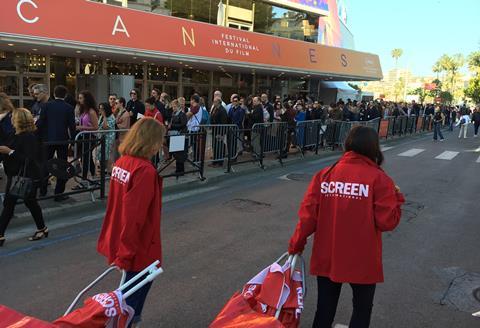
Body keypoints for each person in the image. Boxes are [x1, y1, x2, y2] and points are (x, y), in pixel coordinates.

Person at [288, 126, 404, 328]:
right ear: (374, 148)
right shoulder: (379, 179)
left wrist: (296, 245)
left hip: (328, 253)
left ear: (347, 144)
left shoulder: (325, 175)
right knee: (362, 308)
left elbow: (307, 217)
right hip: (362, 257)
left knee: (324, 308)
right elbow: (388, 222)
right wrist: (398, 197)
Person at [97, 118, 165, 326]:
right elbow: (134, 217)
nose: (161, 146)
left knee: (128, 292)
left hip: (121, 237)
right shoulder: (144, 170)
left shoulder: (122, 162)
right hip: (138, 245)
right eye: (160, 141)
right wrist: (126, 254)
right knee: (131, 296)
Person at [0, 108, 47, 247]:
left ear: (19, 120)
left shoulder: (29, 137)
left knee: (10, 204)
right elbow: (3, 137)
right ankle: (42, 229)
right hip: (16, 175)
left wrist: (10, 152)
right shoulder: (14, 134)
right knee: (28, 203)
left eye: (13, 117)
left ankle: (1, 234)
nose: (11, 120)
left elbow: (29, 159)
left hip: (26, 176)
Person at [36, 85, 76, 200]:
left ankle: (42, 190)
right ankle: (58, 193)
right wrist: (73, 140)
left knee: (45, 164)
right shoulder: (69, 108)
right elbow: (72, 126)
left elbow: (41, 123)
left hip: (48, 140)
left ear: (54, 94)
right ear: (66, 95)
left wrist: (38, 137)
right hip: (62, 140)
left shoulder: (46, 106)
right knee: (62, 165)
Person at [75, 90, 99, 189]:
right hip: (83, 136)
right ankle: (92, 179)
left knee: (86, 159)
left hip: (89, 137)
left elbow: (96, 127)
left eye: (81, 98)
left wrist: (81, 128)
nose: (79, 100)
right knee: (86, 158)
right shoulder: (83, 110)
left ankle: (84, 180)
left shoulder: (91, 111)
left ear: (86, 99)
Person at [168, 99, 188, 174]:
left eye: (174, 106)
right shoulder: (174, 113)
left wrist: (172, 125)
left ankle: (180, 170)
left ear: (178, 106)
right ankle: (178, 170)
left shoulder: (182, 114)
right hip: (175, 135)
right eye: (173, 106)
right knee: (176, 153)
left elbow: (183, 125)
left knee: (179, 154)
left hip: (179, 135)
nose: (173, 108)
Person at [96, 103, 116, 173]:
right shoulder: (101, 116)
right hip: (101, 138)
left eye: (102, 109)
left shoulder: (111, 117)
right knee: (100, 153)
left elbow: (105, 127)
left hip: (108, 138)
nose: (100, 110)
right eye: (100, 108)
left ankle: (108, 170)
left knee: (106, 155)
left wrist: (104, 117)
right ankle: (103, 169)